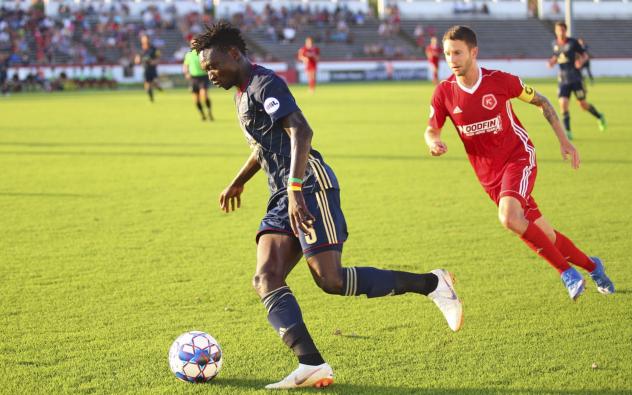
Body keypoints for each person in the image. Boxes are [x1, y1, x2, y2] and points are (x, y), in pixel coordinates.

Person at [193, 22, 463, 390]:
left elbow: (301, 131)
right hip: (283, 192)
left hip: (308, 184)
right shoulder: (241, 94)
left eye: (213, 66)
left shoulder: (264, 83)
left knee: (331, 281)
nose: (209, 74)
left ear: (235, 54)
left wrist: (295, 189)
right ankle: (311, 364)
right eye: (205, 69)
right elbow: (264, 146)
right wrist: (239, 180)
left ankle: (433, 284)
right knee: (265, 278)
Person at [425, 25, 614, 301]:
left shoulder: (501, 81)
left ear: (473, 52)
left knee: (510, 217)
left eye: (457, 53)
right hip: (488, 176)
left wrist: (564, 140)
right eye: (447, 54)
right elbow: (432, 128)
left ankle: (567, 273)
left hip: (519, 157)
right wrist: (433, 142)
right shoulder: (443, 92)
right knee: (544, 234)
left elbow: (543, 102)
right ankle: (593, 266)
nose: (451, 60)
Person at [548, 22, 605, 140]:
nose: (560, 32)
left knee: (583, 104)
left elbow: (585, 55)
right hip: (563, 79)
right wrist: (552, 62)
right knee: (563, 104)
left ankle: (599, 116)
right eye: (558, 30)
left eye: (562, 30)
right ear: (556, 31)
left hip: (575, 78)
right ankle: (568, 132)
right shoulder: (554, 44)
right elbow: (556, 55)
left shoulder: (573, 42)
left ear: (565, 31)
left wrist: (581, 62)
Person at [183, 40, 214, 121]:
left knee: (204, 95)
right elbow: (185, 65)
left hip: (203, 77)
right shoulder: (188, 54)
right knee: (196, 99)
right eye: (193, 43)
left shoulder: (202, 53)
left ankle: (209, 111)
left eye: (196, 43)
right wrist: (186, 73)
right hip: (193, 78)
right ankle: (202, 114)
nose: (194, 45)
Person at [135, 34, 161, 102]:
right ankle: (151, 99)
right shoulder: (140, 50)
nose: (145, 41)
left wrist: (152, 62)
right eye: (143, 39)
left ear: (149, 40)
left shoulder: (154, 49)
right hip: (145, 69)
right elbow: (137, 60)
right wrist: (138, 60)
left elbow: (158, 59)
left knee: (155, 82)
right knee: (147, 84)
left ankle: (157, 87)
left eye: (146, 39)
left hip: (153, 69)